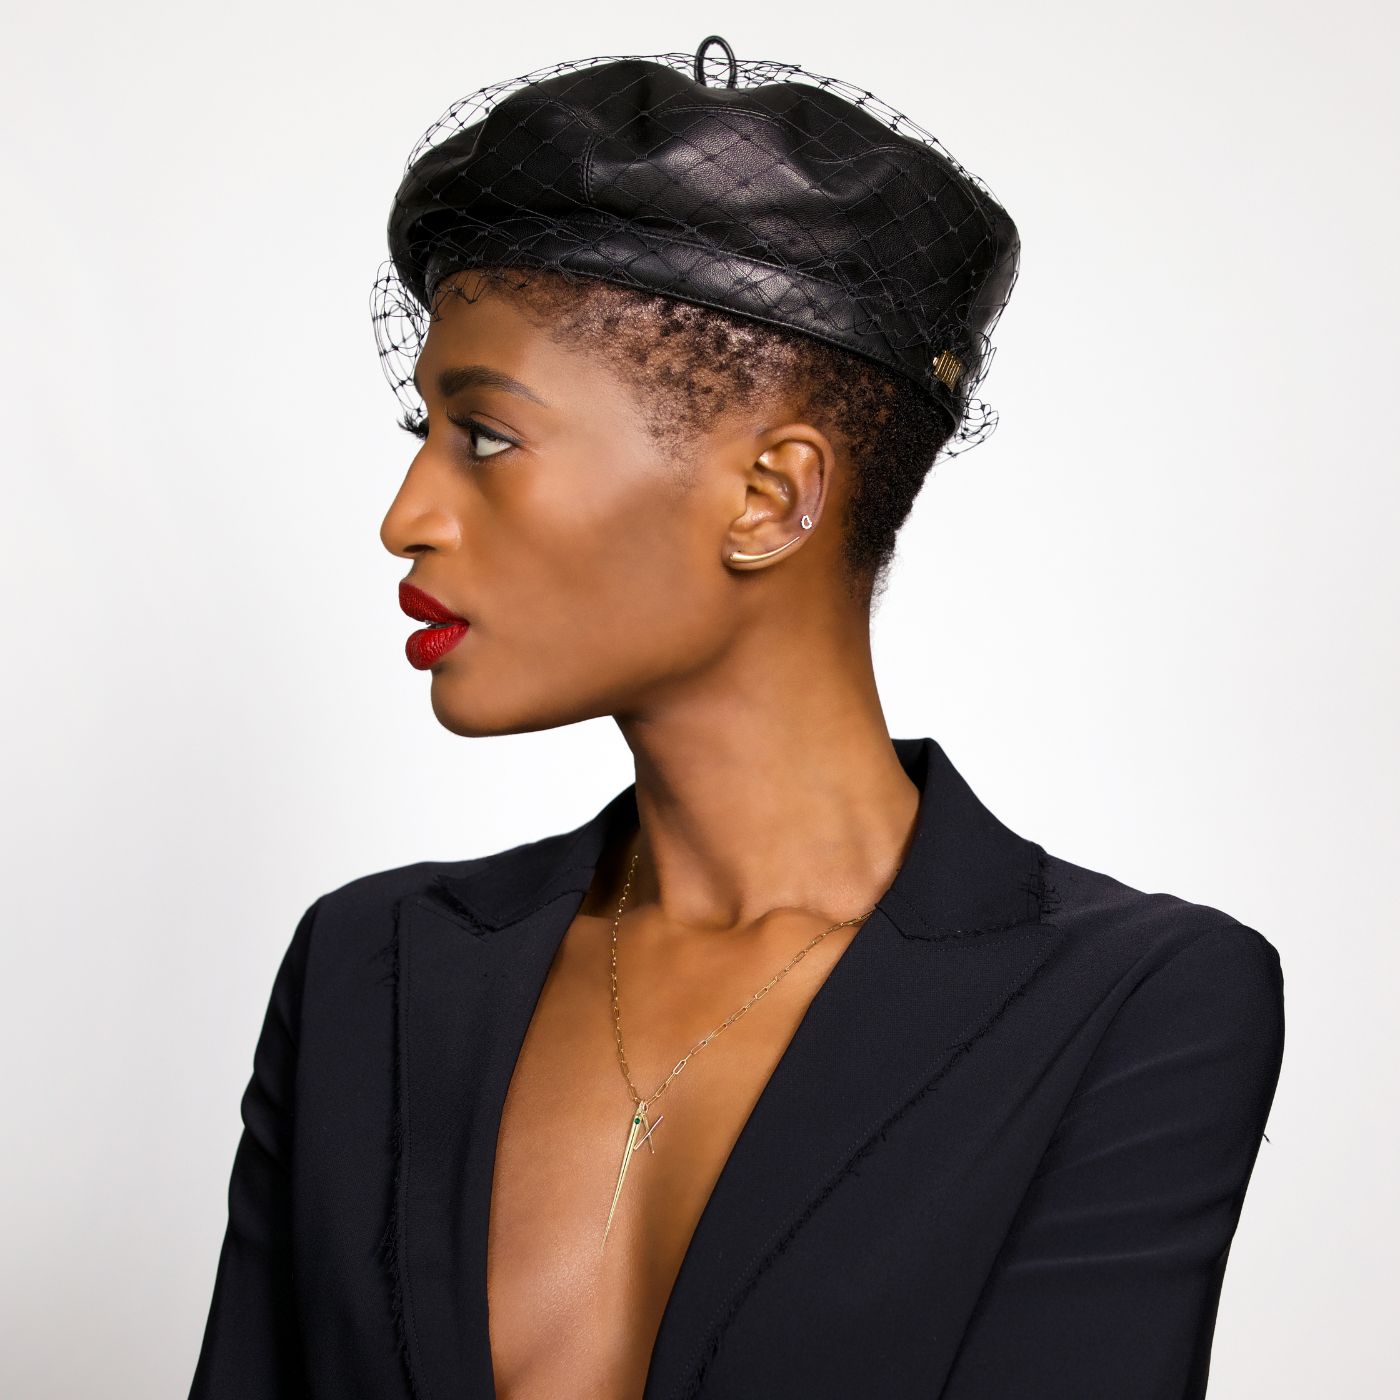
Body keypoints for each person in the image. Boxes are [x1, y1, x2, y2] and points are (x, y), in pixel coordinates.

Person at [188, 36, 1285, 1400]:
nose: (406, 516)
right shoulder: (369, 969)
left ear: (770, 498)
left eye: (483, 438)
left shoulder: (1132, 1005)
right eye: (417, 437)